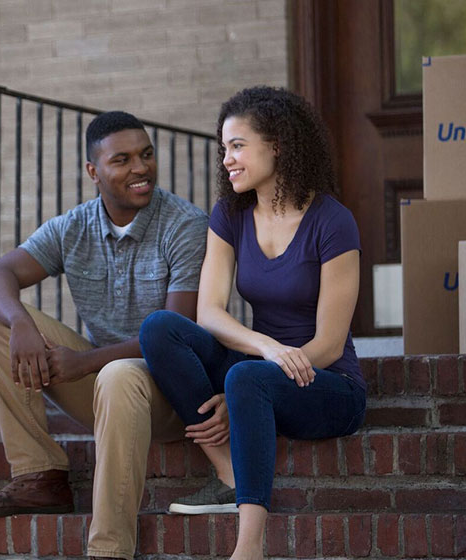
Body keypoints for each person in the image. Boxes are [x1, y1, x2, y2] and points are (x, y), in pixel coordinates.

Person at [0, 110, 208, 560]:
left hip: (171, 394)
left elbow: (179, 334)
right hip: (104, 387)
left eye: (146, 155)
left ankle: (108, 551)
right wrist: (21, 324)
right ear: (93, 172)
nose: (140, 168)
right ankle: (39, 475)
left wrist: (86, 362)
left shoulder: (185, 226)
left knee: (117, 375)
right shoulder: (73, 227)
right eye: (123, 160)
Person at [139, 86, 366, 560]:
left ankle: (250, 546)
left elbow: (327, 343)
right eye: (224, 148)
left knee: (246, 378)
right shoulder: (231, 215)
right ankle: (229, 473)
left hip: (327, 383)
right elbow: (209, 313)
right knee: (160, 328)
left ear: (277, 145)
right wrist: (264, 351)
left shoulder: (333, 221)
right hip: (260, 369)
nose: (227, 159)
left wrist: (258, 376)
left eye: (238, 146)